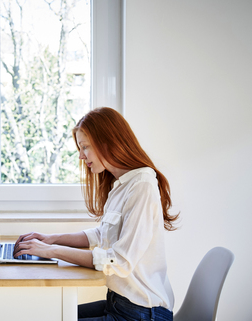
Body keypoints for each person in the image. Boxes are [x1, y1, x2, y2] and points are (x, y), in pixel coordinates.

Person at [14, 107, 179, 321]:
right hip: (119, 304)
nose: (81, 156)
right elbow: (100, 236)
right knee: (50, 314)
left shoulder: (142, 186)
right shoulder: (121, 184)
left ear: (107, 143)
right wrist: (51, 239)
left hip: (143, 314)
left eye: (85, 147)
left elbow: (118, 262)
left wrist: (52, 251)